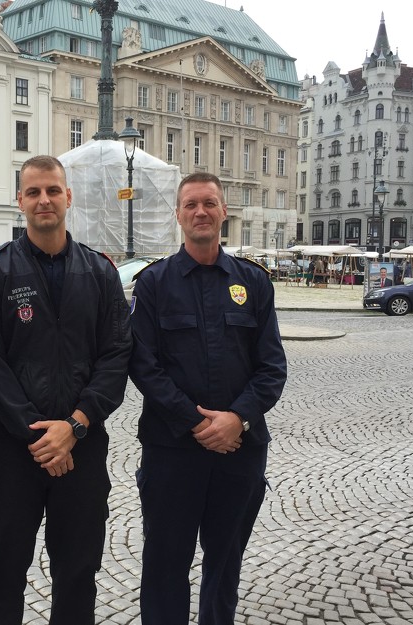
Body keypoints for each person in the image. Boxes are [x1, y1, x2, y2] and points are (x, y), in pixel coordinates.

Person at [0, 155, 131, 625]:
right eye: (34, 192)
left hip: (82, 447)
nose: (44, 200)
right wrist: (40, 436)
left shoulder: (100, 273)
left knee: (78, 573)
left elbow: (116, 356)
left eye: (53, 190)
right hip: (13, 452)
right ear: (20, 200)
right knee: (2, 573)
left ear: (68, 197)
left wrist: (75, 426)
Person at [128, 172, 287, 625]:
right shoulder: (154, 283)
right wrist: (197, 423)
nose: (201, 211)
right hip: (172, 450)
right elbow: (144, 366)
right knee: (164, 562)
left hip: (240, 450)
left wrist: (237, 419)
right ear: (179, 214)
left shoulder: (253, 283)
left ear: (223, 211)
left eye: (210, 203)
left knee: (226, 560)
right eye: (192, 204)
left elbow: (272, 366)